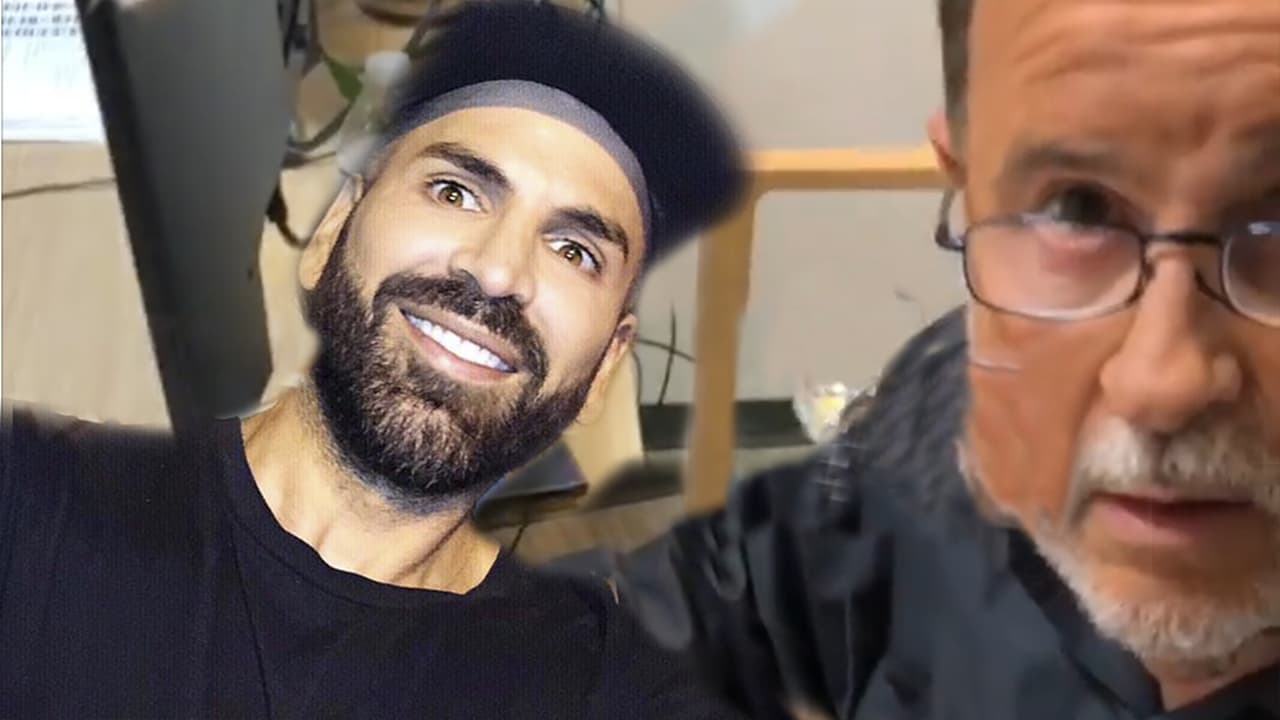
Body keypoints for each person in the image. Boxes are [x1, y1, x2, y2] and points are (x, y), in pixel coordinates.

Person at [0, 2, 746, 717]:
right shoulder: (38, 501)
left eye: (573, 250)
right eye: (455, 191)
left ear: (608, 364)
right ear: (332, 229)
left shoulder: (605, 681)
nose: (497, 271)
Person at [602, 0, 1280, 717]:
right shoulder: (951, 401)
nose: (1160, 383)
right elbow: (723, 594)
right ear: (964, 178)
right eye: (1077, 209)